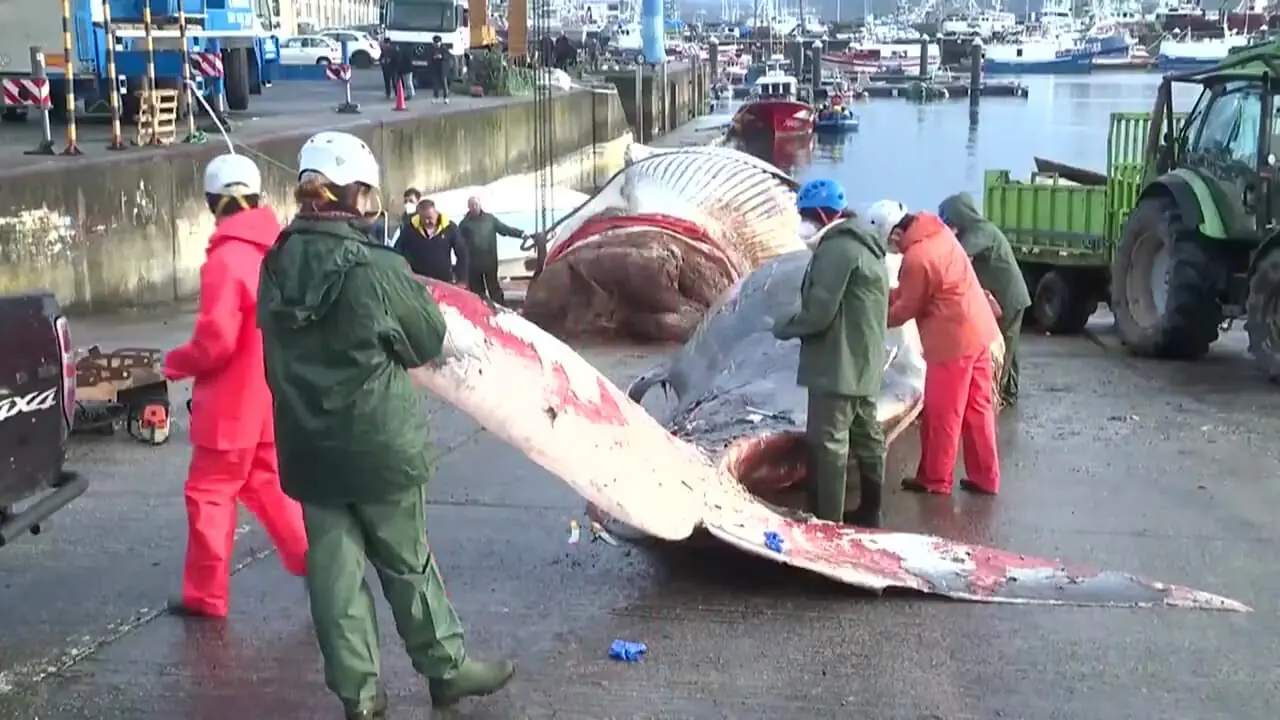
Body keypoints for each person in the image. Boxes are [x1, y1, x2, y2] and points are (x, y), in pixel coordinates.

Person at [256, 131, 515, 718]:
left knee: (335, 578)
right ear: (354, 194)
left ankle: (360, 697)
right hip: (379, 447)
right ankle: (445, 669)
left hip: (308, 449)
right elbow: (427, 340)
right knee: (407, 564)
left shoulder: (274, 265)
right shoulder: (376, 268)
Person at [162, 153, 309, 619]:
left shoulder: (226, 261)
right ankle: (319, 565)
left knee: (210, 493)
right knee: (268, 485)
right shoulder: (279, 252)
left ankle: (206, 595)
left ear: (213, 202)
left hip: (228, 406)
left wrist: (173, 364)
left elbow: (216, 342)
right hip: (269, 397)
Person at [771, 179, 889, 527]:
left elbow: (819, 313)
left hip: (838, 366)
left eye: (806, 215)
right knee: (867, 436)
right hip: (865, 363)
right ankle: (871, 510)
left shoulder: (836, 249)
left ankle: (826, 524)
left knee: (828, 443)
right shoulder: (868, 246)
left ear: (823, 214)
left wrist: (783, 326)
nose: (803, 223)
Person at [867, 200, 1002, 496]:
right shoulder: (938, 233)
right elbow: (920, 289)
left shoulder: (917, 258)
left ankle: (935, 479)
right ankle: (986, 477)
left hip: (952, 341)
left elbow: (905, 309)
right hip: (979, 330)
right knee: (978, 409)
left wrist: (869, 315)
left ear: (895, 234)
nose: (894, 250)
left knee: (943, 413)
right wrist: (884, 294)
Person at [938, 192, 1031, 406]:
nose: (947, 223)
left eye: (948, 219)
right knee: (1009, 347)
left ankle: (996, 397)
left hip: (1008, 298)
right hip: (1009, 296)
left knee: (1002, 348)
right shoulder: (978, 231)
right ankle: (1009, 392)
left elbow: (958, 257)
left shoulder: (980, 232)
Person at [458, 196, 529, 304]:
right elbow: (458, 244)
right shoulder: (464, 224)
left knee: (494, 287)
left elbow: (505, 229)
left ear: (480, 205)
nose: (474, 207)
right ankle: (481, 308)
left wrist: (521, 234)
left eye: (476, 204)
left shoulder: (490, 219)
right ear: (468, 207)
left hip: (490, 261)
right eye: (472, 205)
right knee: (477, 291)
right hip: (473, 264)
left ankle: (500, 306)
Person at [396, 198, 469, 283]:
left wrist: (462, 279)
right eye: (423, 219)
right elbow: (397, 251)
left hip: (444, 280)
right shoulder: (410, 229)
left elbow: (462, 253)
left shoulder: (449, 227)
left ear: (436, 213)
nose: (427, 221)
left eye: (429, 218)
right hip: (418, 280)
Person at [427, 35, 450, 103]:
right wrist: (433, 58)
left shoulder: (444, 48)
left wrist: (442, 56)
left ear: (440, 42)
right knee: (435, 84)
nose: (436, 44)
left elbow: (448, 57)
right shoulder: (431, 49)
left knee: (444, 84)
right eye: (435, 43)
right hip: (435, 69)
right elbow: (428, 57)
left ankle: (445, 97)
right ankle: (435, 97)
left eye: (438, 42)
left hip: (443, 69)